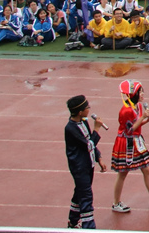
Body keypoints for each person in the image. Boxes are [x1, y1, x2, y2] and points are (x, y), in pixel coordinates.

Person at [110, 80, 149, 213]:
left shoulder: (138, 107)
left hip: (137, 141)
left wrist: (145, 119)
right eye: (140, 92)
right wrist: (143, 118)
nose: (142, 94)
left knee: (147, 170)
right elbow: (129, 130)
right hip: (126, 143)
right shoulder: (125, 111)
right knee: (123, 173)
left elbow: (137, 126)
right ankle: (116, 203)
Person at [64, 95, 106, 229]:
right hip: (79, 167)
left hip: (89, 164)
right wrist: (97, 130)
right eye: (87, 107)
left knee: (79, 192)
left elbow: (91, 145)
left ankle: (73, 220)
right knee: (86, 195)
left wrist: (98, 157)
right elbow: (88, 145)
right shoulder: (71, 128)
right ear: (80, 111)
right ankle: (89, 227)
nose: (89, 109)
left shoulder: (84, 121)